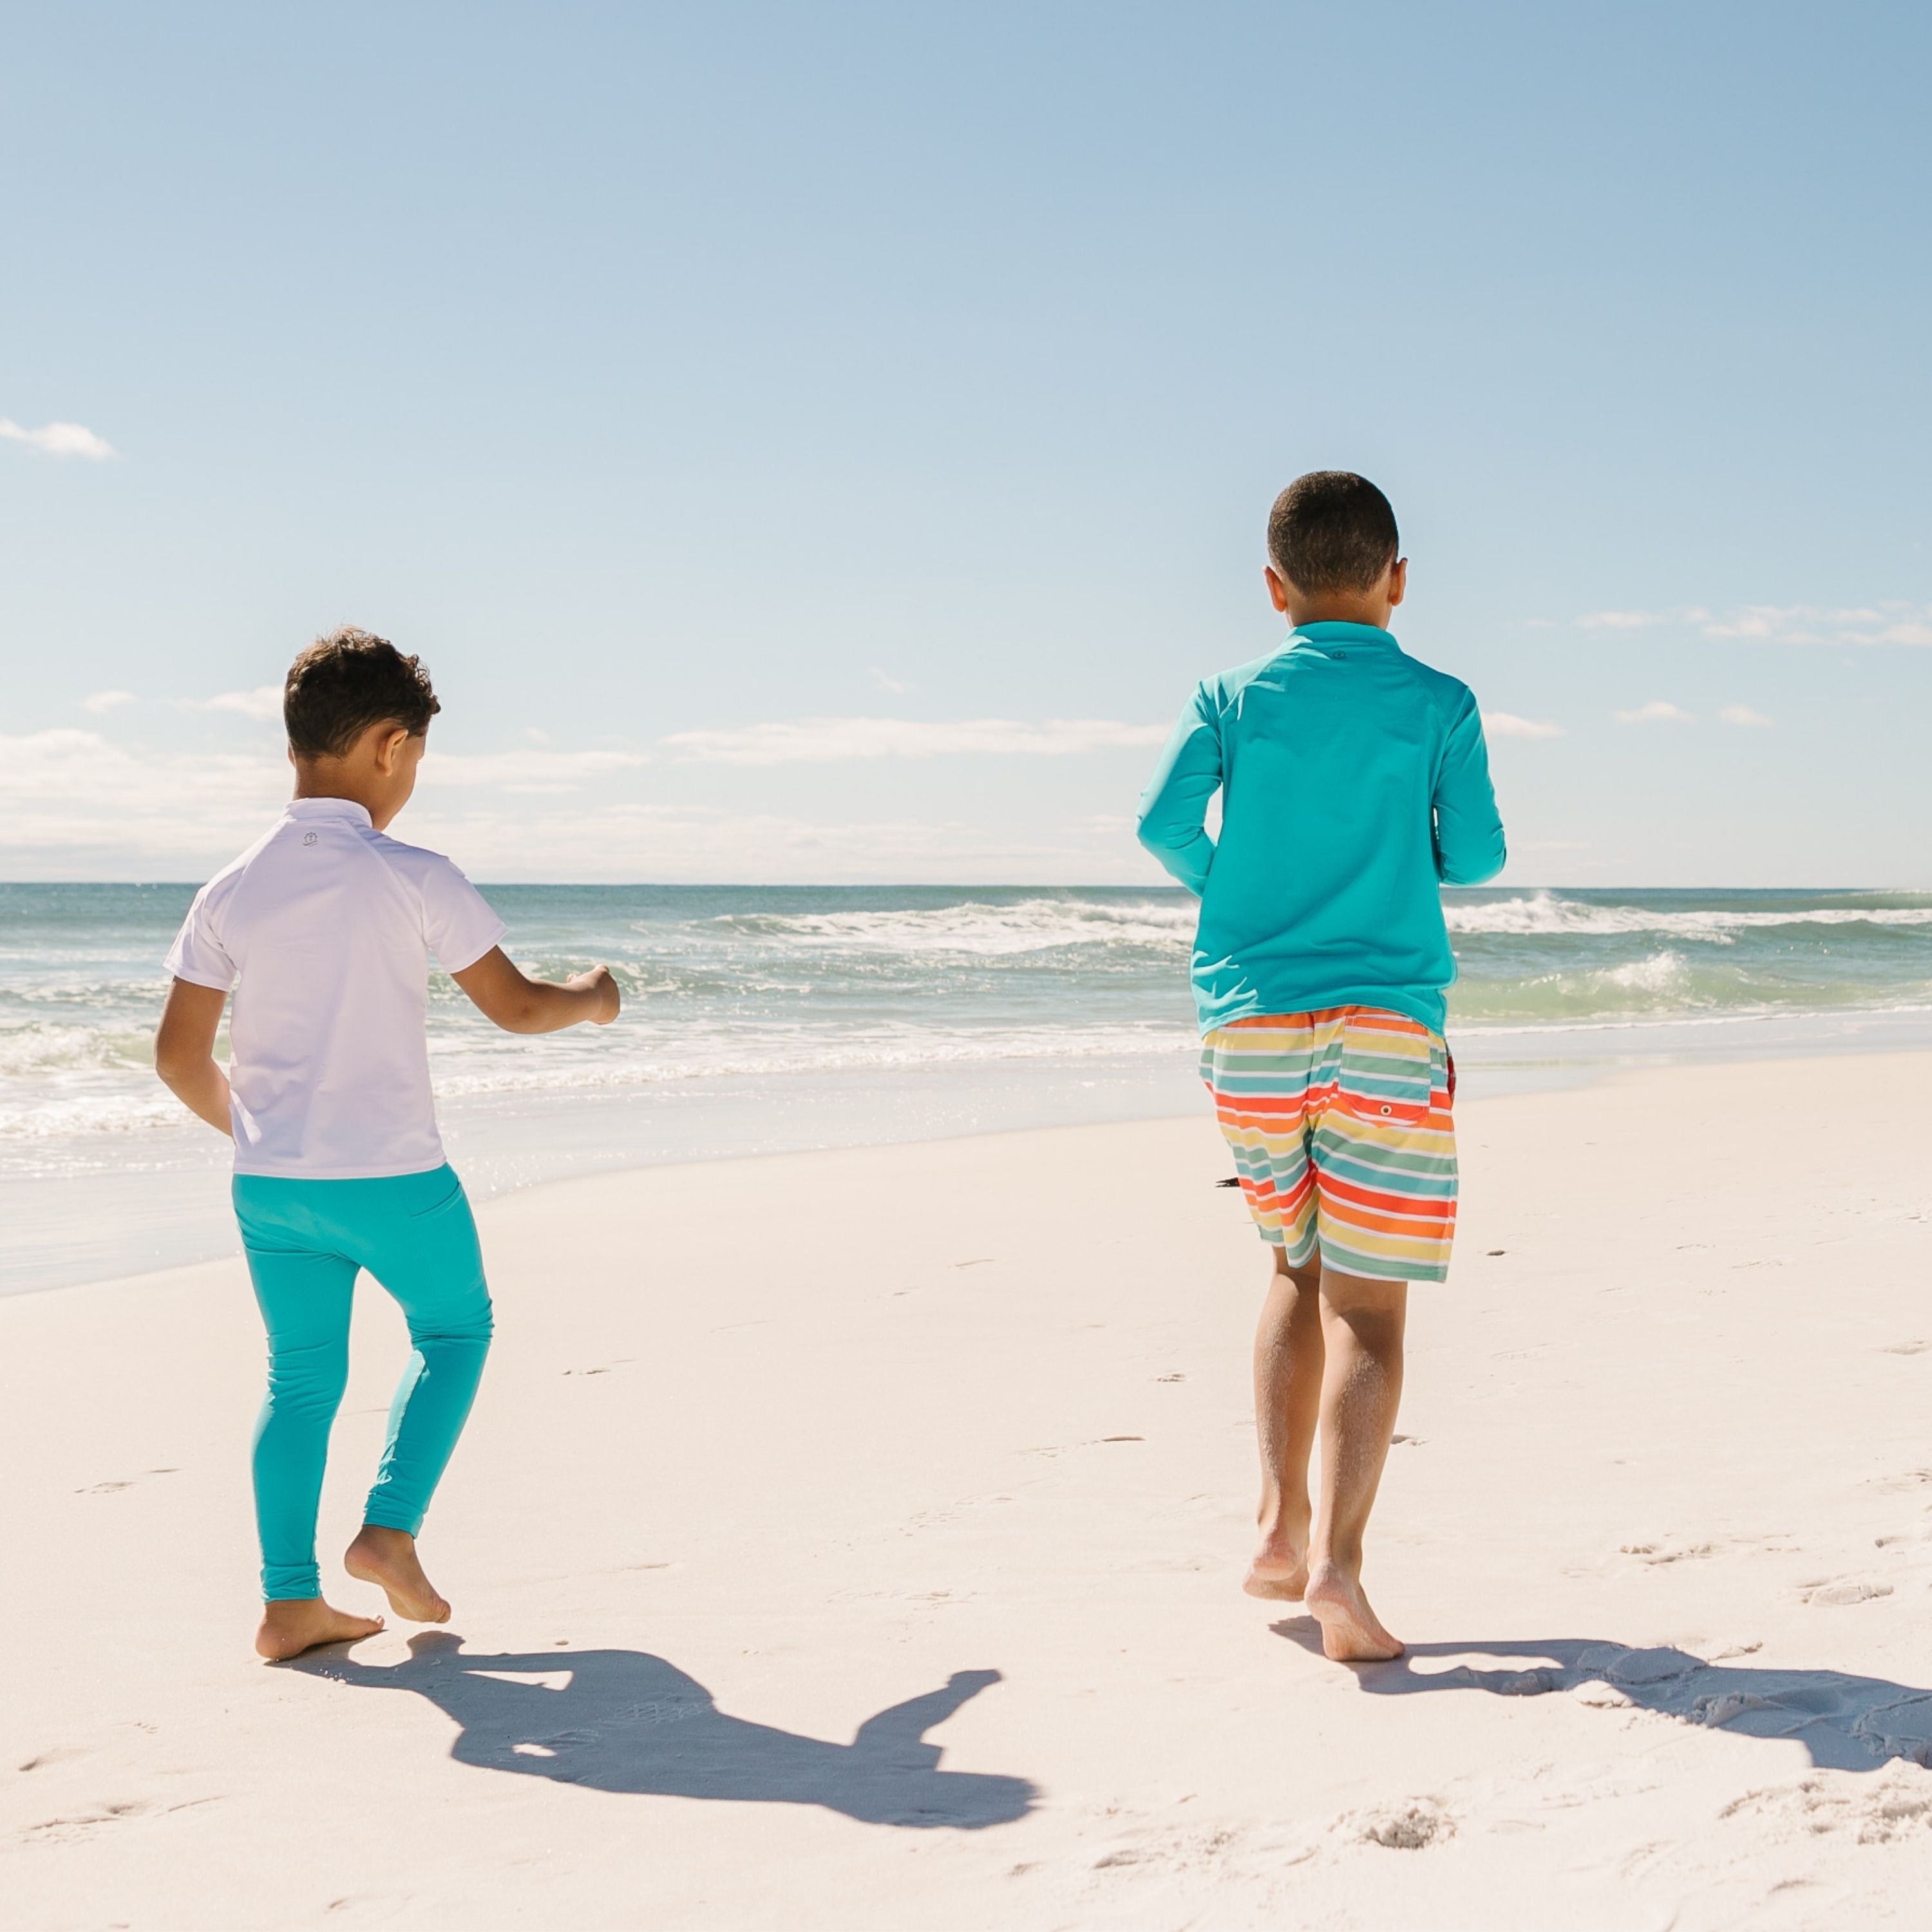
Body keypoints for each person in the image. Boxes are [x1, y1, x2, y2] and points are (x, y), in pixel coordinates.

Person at [155, 628, 621, 1662]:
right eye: (414, 757)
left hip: (272, 1187)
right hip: (395, 1181)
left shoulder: (227, 889)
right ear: (388, 745)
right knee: (455, 1332)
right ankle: (389, 1530)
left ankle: (288, 1604)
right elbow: (514, 1007)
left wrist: (268, 1134)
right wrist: (591, 999)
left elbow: (181, 1061)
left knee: (301, 1380)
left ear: (292, 750)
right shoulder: (413, 873)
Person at [1136, 473, 1504, 1661]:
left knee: (1292, 1259)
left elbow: (1161, 827)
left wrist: (1242, 893)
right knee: (1371, 1309)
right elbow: (1482, 854)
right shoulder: (1439, 699)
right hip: (1387, 1024)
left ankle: (1276, 1530)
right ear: (1397, 580)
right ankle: (1340, 1573)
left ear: (1274, 585)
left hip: (1247, 1020)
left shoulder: (1230, 695)